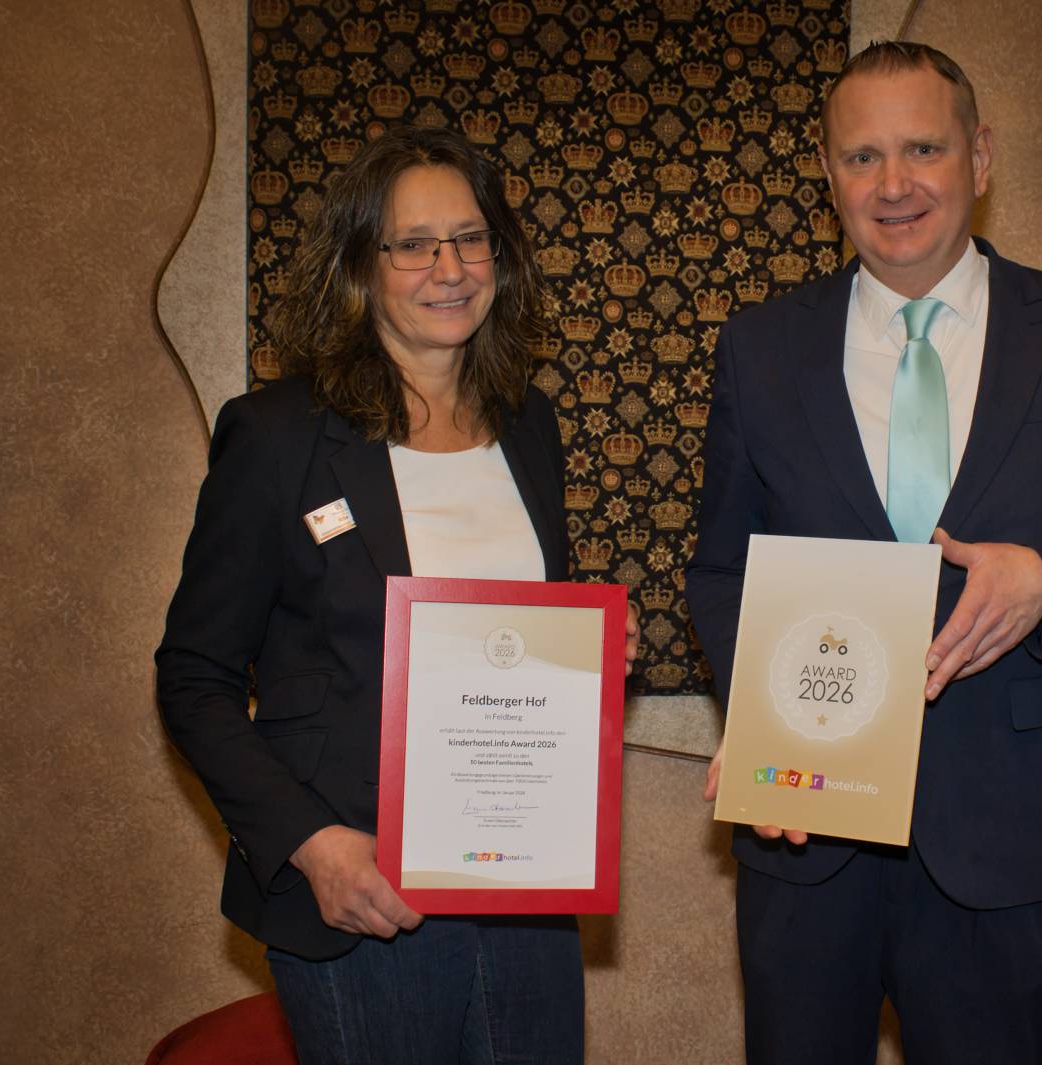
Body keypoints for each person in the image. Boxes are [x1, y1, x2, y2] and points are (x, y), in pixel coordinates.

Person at [686, 41, 1042, 1064]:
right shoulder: (760, 347)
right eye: (861, 157)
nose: (893, 186)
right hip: (807, 834)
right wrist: (761, 713)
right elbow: (722, 570)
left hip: (1003, 825)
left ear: (979, 158)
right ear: (828, 172)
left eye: (922, 149)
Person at [156, 125, 634, 1064]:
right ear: (360, 265)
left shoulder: (527, 424)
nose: (448, 267)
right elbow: (193, 676)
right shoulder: (277, 435)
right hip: (364, 899)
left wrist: (584, 666)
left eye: (470, 237)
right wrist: (309, 842)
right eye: (413, 243)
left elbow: (508, 644)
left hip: (523, 887)